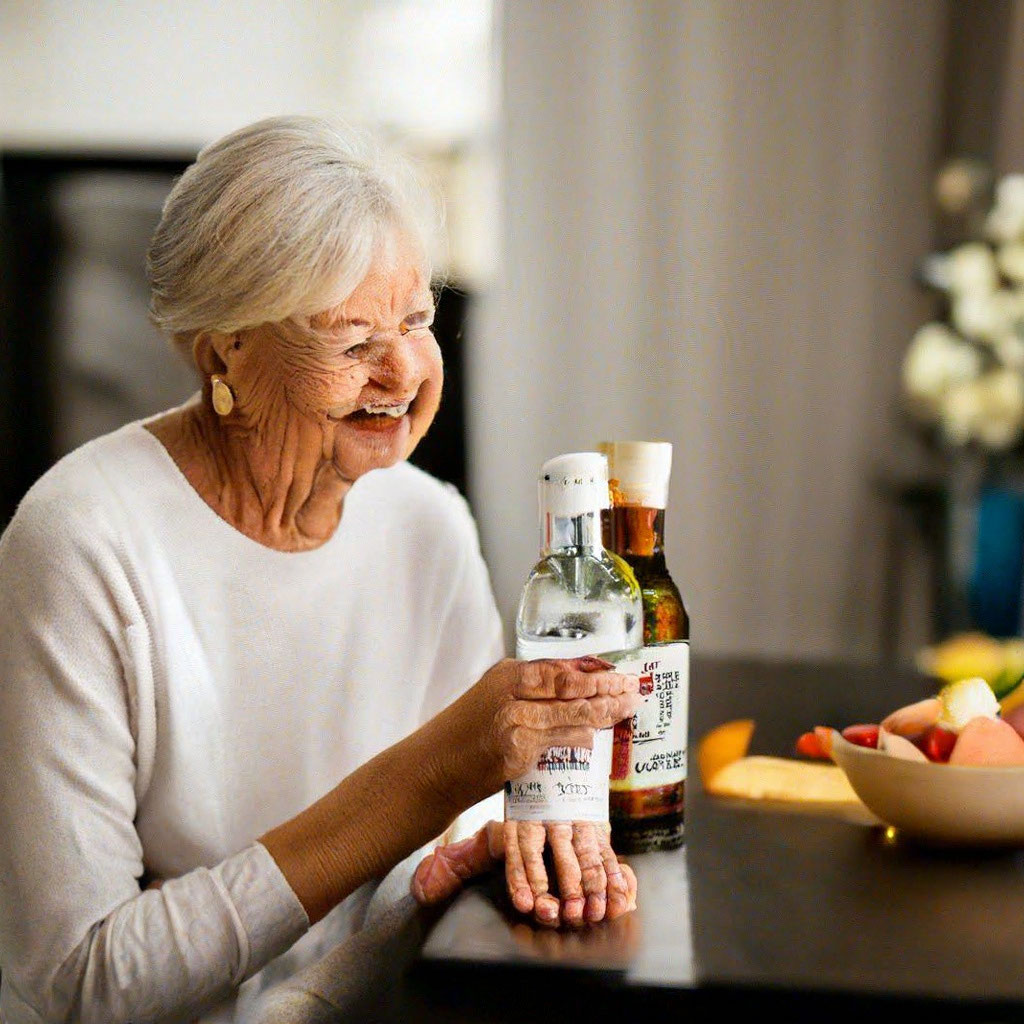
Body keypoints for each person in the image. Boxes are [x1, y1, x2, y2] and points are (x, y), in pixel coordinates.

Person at [0, 115, 639, 1023]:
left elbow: (435, 866)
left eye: (417, 319)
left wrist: (491, 845)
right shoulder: (78, 543)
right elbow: (78, 983)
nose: (405, 371)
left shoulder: (429, 525)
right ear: (227, 350)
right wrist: (424, 780)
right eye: (351, 340)